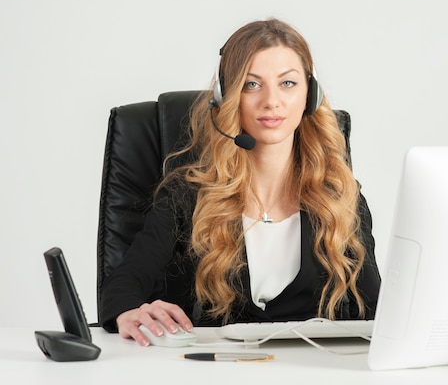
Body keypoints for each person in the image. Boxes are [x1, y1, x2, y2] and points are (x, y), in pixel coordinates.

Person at [99, 18, 381, 346]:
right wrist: (129, 312)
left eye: (288, 83)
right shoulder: (187, 196)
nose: (271, 101)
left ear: (310, 94)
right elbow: (121, 286)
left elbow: (377, 312)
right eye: (251, 84)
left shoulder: (339, 198)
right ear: (226, 95)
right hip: (210, 371)